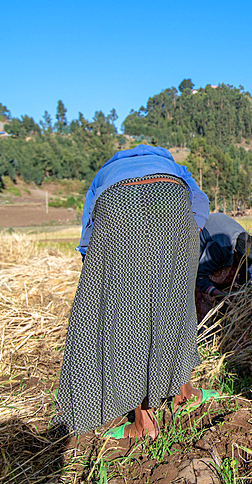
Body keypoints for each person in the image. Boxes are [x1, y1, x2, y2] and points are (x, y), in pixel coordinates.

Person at [54, 144, 215, 440]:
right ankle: (184, 392)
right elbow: (200, 203)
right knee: (177, 307)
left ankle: (144, 423)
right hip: (173, 202)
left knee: (130, 318)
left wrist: (99, 272)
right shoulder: (173, 166)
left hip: (118, 204)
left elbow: (89, 228)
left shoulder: (105, 173)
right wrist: (187, 235)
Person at [194, 212, 252, 323]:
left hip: (223, 238)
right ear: (235, 251)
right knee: (197, 287)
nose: (246, 263)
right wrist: (220, 295)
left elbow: (246, 280)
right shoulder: (220, 246)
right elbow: (200, 276)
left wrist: (246, 300)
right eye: (242, 261)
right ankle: (205, 325)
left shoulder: (249, 248)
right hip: (203, 236)